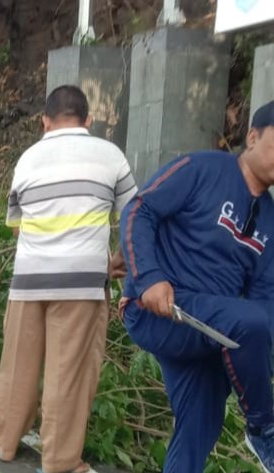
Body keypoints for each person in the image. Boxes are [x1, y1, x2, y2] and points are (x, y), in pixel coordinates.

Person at [119, 101, 274, 473]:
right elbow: (139, 211)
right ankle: (264, 428)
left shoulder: (271, 219)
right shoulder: (201, 168)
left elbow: (265, 302)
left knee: (200, 426)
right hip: (157, 310)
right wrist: (150, 277)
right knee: (248, 322)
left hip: (206, 329)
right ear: (252, 137)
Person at [0, 85, 137, 473]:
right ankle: (60, 462)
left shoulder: (26, 159)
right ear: (89, 121)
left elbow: (18, 227)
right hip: (81, 282)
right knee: (66, 371)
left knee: (18, 364)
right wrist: (118, 259)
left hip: (28, 279)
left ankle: (4, 444)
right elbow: (136, 218)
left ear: (44, 121)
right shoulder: (111, 155)